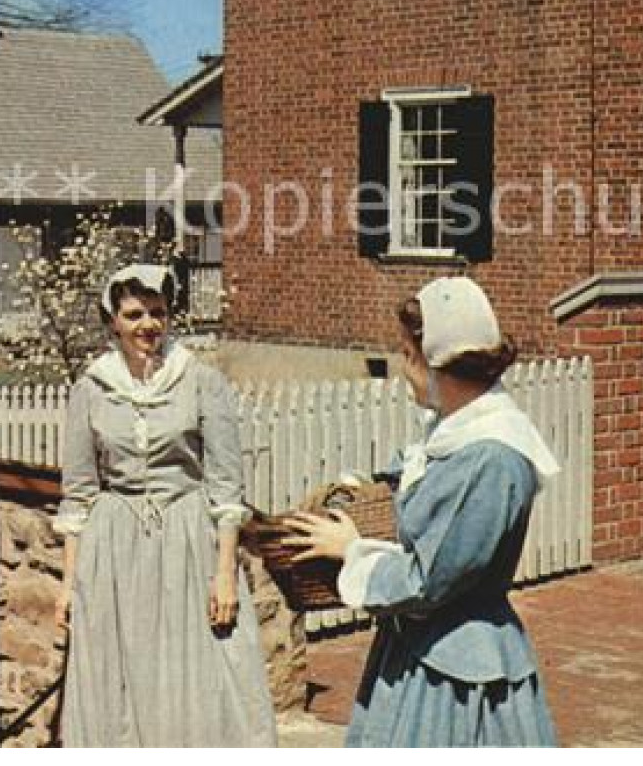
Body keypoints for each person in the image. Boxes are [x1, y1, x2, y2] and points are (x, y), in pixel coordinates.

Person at [284, 276, 560, 747]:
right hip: (416, 649)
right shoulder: (453, 431)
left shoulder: (491, 457)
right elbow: (413, 480)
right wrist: (361, 490)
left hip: (456, 672)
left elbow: (427, 582)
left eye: (407, 357)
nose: (403, 370)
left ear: (437, 364)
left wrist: (351, 551)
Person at [53, 263, 277, 747]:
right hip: (115, 549)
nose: (147, 325)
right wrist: (70, 583)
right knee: (118, 676)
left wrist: (223, 572)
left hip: (187, 542)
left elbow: (224, 486)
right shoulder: (91, 388)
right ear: (112, 319)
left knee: (200, 672)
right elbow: (79, 492)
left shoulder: (200, 381)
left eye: (157, 312)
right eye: (134, 314)